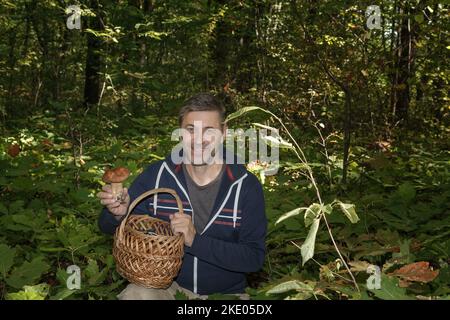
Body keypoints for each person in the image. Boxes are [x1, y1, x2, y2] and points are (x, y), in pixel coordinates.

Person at [97, 93, 267, 300]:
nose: (198, 140)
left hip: (227, 295)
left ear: (224, 133)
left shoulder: (245, 186)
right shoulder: (158, 175)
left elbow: (253, 258)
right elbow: (108, 227)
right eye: (190, 130)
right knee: (137, 294)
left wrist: (195, 241)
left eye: (209, 131)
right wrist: (118, 214)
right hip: (168, 289)